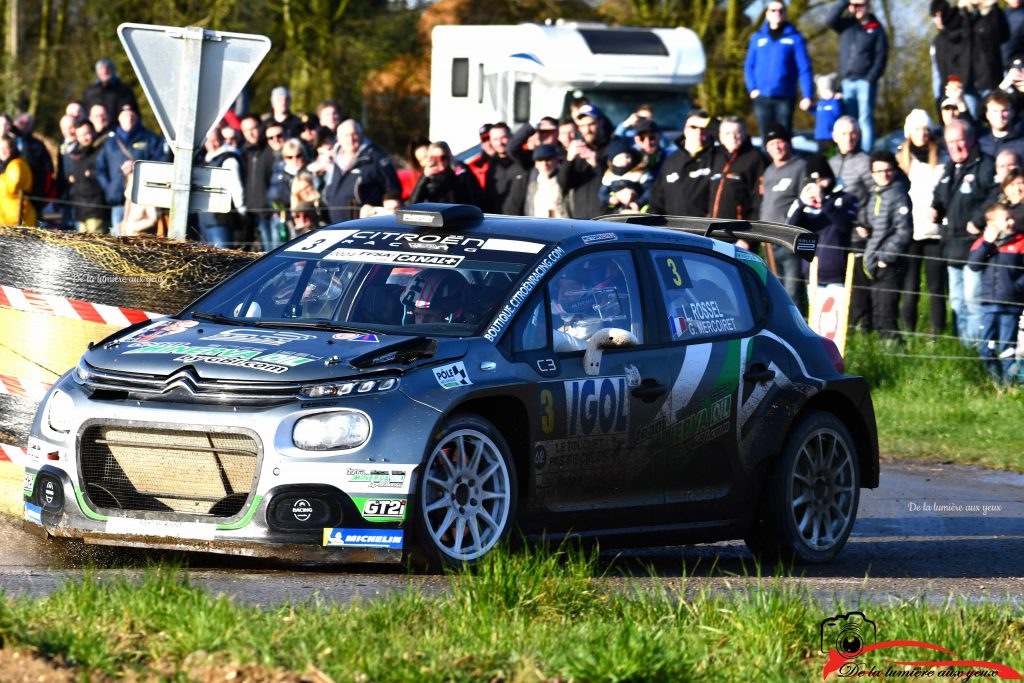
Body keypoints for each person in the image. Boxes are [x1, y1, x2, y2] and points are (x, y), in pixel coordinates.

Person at [932, 118, 999, 347]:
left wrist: (978, 220)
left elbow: (995, 195)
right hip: (951, 244)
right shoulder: (950, 166)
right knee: (957, 301)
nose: (955, 147)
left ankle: (980, 349)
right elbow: (939, 193)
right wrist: (935, 207)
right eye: (950, 142)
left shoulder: (985, 164)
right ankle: (965, 348)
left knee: (973, 300)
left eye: (960, 141)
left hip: (974, 245)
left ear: (971, 139)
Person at [896, 109, 948, 337]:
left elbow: (945, 190)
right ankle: (909, 333)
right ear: (909, 132)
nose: (922, 133)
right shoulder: (901, 160)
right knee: (910, 286)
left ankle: (936, 335)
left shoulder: (943, 158)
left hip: (935, 231)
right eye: (917, 129)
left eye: (926, 128)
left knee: (936, 288)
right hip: (910, 231)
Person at [967, 202, 1024, 381]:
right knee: (986, 347)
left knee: (1007, 348)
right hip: (989, 304)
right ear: (991, 223)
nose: (1010, 222)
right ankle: (995, 381)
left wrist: (1017, 288)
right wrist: (986, 243)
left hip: (1011, 305)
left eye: (1011, 218)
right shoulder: (982, 244)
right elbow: (974, 265)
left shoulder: (1021, 241)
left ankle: (1010, 384)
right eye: (1005, 219)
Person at [786, 155, 859, 294]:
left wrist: (824, 203)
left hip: (837, 273)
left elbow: (845, 226)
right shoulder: (803, 203)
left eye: (822, 180)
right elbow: (791, 230)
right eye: (814, 182)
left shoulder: (846, 199)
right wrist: (802, 204)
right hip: (812, 272)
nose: (818, 186)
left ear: (830, 177)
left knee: (837, 315)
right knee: (815, 315)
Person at [830, 116, 875, 329]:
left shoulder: (865, 161)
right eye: (844, 134)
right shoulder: (831, 163)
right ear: (834, 137)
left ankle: (863, 326)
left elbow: (875, 194)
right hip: (836, 234)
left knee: (859, 283)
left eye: (853, 133)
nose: (849, 138)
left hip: (859, 234)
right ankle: (842, 325)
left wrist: (864, 222)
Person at [743, 0, 814, 136]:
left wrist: (807, 95)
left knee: (784, 135)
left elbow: (804, 68)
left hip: (785, 96)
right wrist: (752, 89)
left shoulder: (795, 38)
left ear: (785, 13)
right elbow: (749, 65)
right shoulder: (757, 38)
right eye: (773, 10)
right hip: (762, 96)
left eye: (781, 10)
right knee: (766, 135)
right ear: (767, 14)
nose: (777, 13)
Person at [863, 150, 914, 341]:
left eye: (887, 170)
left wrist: (885, 257)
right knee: (878, 312)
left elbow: (904, 231)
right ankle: (883, 350)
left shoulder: (898, 194)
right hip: (873, 261)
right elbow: (873, 222)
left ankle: (895, 352)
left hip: (888, 263)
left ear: (895, 170)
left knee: (886, 313)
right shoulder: (875, 193)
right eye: (878, 171)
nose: (883, 175)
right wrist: (863, 225)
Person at [94, 103, 167, 234]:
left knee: (139, 240)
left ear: (137, 117)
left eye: (132, 115)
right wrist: (108, 187)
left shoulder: (150, 138)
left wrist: (139, 167)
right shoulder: (110, 142)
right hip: (117, 200)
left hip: (140, 203)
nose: (129, 119)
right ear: (118, 118)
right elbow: (100, 167)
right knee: (117, 240)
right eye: (125, 116)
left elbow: (161, 162)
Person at [827, 0, 888, 151]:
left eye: (862, 4)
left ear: (868, 5)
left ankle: (866, 153)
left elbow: (881, 56)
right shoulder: (846, 25)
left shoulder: (876, 28)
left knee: (865, 119)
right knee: (849, 121)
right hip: (847, 81)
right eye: (855, 5)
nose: (858, 8)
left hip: (865, 81)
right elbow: (830, 20)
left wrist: (870, 78)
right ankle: (852, 151)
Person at [760, 123, 809, 312]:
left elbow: (804, 203)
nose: (776, 147)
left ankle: (797, 332)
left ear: (788, 143)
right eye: (771, 144)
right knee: (774, 292)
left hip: (789, 240)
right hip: (768, 241)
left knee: (792, 292)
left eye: (780, 142)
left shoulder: (800, 167)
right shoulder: (769, 170)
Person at [322, 119, 401, 223]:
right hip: (335, 226)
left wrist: (382, 209)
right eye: (346, 136)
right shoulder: (333, 160)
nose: (350, 139)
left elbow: (392, 188)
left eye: (354, 134)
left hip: (366, 225)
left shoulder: (376, 157)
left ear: (361, 135)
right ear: (338, 139)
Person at [649, 109, 713, 217]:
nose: (698, 132)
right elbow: (656, 202)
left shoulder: (718, 158)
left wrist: (712, 123)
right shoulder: (671, 160)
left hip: (706, 231)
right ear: (685, 129)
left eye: (703, 127)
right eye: (693, 127)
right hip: (675, 230)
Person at [708, 116, 766, 223]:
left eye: (737, 132)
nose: (733, 137)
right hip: (711, 231)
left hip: (739, 233)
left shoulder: (755, 158)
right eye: (728, 133)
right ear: (720, 137)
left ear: (745, 134)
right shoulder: (715, 156)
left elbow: (759, 202)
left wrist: (749, 236)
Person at [558, 104, 612, 219]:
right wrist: (569, 160)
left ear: (600, 123)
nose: (587, 130)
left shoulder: (612, 147)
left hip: (606, 219)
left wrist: (596, 163)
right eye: (582, 126)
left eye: (591, 124)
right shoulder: (577, 149)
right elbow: (564, 183)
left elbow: (616, 183)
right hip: (581, 220)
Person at [197, 128, 246, 248]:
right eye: (209, 142)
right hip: (206, 219)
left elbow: (236, 187)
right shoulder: (206, 160)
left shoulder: (229, 159)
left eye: (215, 140)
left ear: (222, 140)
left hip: (222, 219)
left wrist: (242, 211)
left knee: (223, 257)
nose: (212, 145)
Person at [409, 142, 483, 208]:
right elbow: (413, 203)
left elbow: (475, 194)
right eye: (435, 158)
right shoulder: (429, 177)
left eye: (443, 157)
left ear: (449, 156)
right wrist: (424, 177)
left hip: (462, 216)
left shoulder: (459, 170)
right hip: (439, 219)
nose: (440, 161)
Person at [239, 115, 276, 250]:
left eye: (254, 128)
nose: (251, 133)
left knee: (273, 251)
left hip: (270, 212)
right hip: (251, 214)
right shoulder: (244, 152)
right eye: (246, 130)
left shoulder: (271, 149)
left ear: (261, 127)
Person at [66, 121, 108, 234]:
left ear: (93, 132)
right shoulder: (76, 154)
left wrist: (92, 173)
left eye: (87, 133)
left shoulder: (102, 150)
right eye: (80, 135)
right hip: (80, 208)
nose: (84, 138)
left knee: (96, 244)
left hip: (96, 208)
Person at [507, 143, 568, 218]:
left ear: (556, 160)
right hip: (537, 224)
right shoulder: (531, 181)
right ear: (536, 163)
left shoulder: (565, 178)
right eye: (540, 160)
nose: (544, 164)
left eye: (548, 160)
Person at [483, 122, 526, 214]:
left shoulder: (523, 160)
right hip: (496, 223)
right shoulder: (490, 167)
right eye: (495, 139)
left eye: (504, 138)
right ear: (490, 141)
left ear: (512, 137)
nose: (500, 143)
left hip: (523, 222)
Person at [82, 58, 139, 123]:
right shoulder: (90, 92)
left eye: (107, 69)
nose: (104, 71)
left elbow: (134, 113)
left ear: (113, 71)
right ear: (97, 73)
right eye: (101, 69)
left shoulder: (124, 90)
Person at [978, 91, 1024, 161]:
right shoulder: (979, 140)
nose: (1000, 116)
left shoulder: (1021, 142)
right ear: (987, 115)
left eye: (1004, 110)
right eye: (995, 111)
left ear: (1013, 113)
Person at [0, 133, 35, 227]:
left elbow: (13, 188)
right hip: (5, 219)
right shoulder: (4, 166)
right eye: (0, 148)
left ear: (13, 148)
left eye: (6, 148)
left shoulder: (16, 165)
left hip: (17, 219)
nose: (2, 151)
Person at [813, 73, 844, 153]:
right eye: (824, 91)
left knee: (831, 155)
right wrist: (809, 108)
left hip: (830, 136)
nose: (827, 93)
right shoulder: (820, 103)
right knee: (821, 156)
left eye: (828, 90)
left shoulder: (834, 102)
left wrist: (836, 101)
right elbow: (817, 113)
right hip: (819, 136)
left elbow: (837, 113)